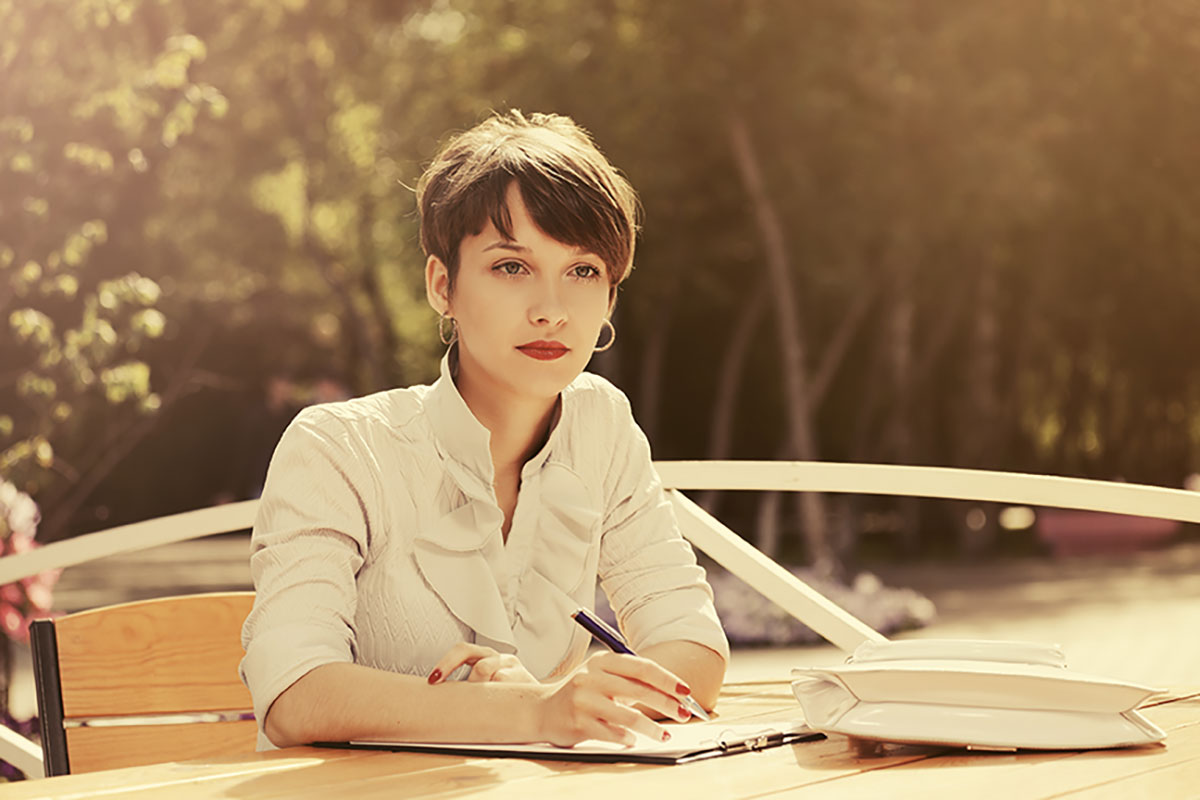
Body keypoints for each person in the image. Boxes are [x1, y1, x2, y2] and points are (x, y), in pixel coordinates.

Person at [239, 110, 729, 751]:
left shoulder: (601, 423)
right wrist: (533, 710)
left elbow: (691, 643)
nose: (551, 310)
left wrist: (578, 701)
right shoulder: (338, 447)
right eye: (510, 267)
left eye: (582, 271)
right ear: (443, 285)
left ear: (610, 298)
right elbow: (294, 695)